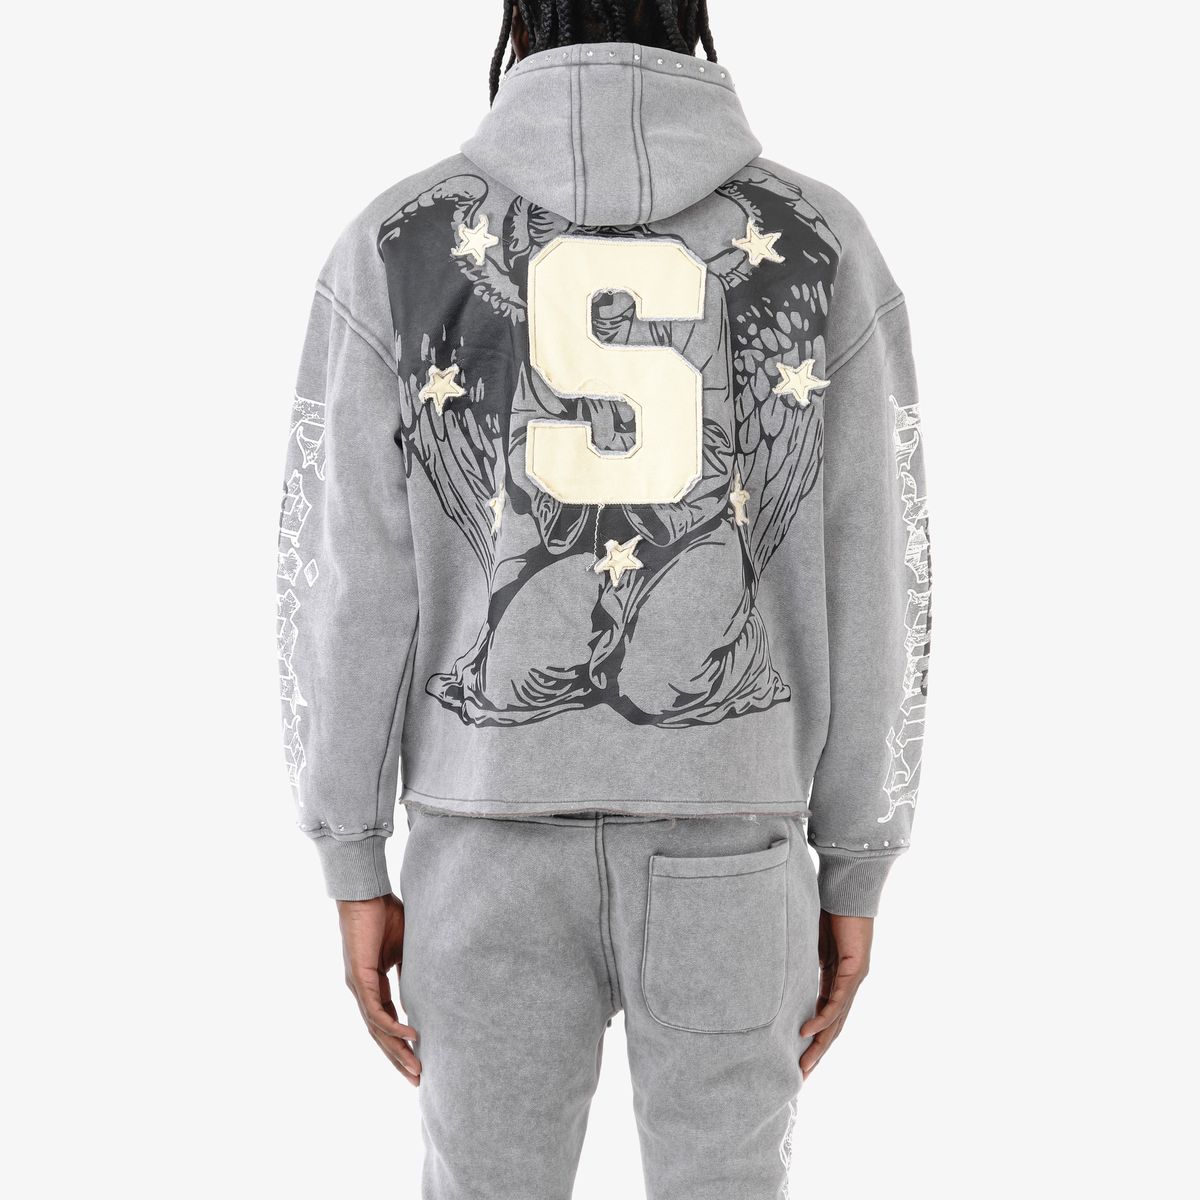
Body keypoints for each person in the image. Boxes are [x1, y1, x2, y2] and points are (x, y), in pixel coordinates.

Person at [276, 2, 930, 1196]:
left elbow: (348, 583)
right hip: (734, 841)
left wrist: (352, 854)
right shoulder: (820, 239)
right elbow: (875, 569)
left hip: (483, 847)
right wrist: (857, 857)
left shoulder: (400, 241)